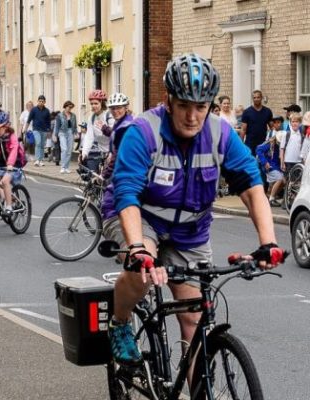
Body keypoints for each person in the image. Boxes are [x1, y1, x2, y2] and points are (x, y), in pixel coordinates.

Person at [109, 53, 285, 367]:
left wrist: (268, 243)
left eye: (201, 107)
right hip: (140, 216)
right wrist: (137, 248)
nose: (192, 116)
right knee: (142, 272)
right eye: (184, 106)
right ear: (168, 101)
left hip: (189, 229)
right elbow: (127, 192)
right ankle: (120, 322)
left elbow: (251, 186)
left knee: (193, 319)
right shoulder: (143, 132)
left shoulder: (220, 133)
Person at [100, 92, 134, 181]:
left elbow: (118, 153)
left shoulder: (125, 126)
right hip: (123, 166)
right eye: (112, 108)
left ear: (126, 108)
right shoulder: (120, 122)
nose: (115, 111)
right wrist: (105, 129)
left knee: (110, 193)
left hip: (128, 170)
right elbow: (114, 134)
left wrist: (104, 175)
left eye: (119, 108)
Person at [80, 90, 113, 173]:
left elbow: (115, 135)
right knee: (96, 178)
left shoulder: (109, 115)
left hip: (113, 151)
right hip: (101, 152)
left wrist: (112, 153)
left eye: (96, 103)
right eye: (91, 104)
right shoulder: (92, 118)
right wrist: (84, 153)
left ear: (101, 103)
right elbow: (89, 137)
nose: (93, 106)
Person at [241, 90, 273, 155]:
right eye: (254, 98)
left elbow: (272, 128)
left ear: (261, 98)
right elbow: (243, 129)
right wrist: (241, 143)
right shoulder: (247, 112)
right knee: (251, 162)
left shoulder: (267, 111)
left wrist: (272, 140)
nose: (256, 99)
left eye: (258, 97)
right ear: (252, 99)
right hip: (250, 142)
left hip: (263, 142)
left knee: (262, 162)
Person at [256, 135, 284, 206]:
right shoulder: (270, 143)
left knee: (284, 181)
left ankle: (271, 196)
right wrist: (265, 162)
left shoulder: (281, 145)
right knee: (280, 179)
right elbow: (259, 149)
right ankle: (271, 199)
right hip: (269, 166)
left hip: (276, 166)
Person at [26, 95, 51, 166]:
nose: (41, 102)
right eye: (40, 101)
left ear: (44, 102)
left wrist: (49, 131)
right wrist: (25, 128)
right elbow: (29, 119)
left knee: (42, 145)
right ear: (38, 101)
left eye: (42, 101)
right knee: (38, 143)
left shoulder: (47, 111)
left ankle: (41, 160)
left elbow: (48, 122)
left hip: (44, 130)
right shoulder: (34, 110)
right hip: (36, 129)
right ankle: (37, 160)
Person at [53, 101, 77, 174]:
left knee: (69, 151)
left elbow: (74, 126)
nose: (70, 109)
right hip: (62, 132)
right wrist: (55, 135)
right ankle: (63, 167)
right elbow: (57, 126)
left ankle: (66, 167)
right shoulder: (59, 116)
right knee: (64, 149)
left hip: (70, 132)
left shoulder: (73, 115)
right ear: (65, 106)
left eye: (71, 107)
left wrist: (76, 133)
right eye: (69, 107)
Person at [279, 112, 303, 181]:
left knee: (297, 182)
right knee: (288, 182)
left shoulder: (301, 135)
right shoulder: (286, 134)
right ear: (290, 123)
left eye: (297, 121)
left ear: (300, 123)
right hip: (288, 162)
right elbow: (282, 149)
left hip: (298, 162)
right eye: (293, 121)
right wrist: (282, 162)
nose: (295, 123)